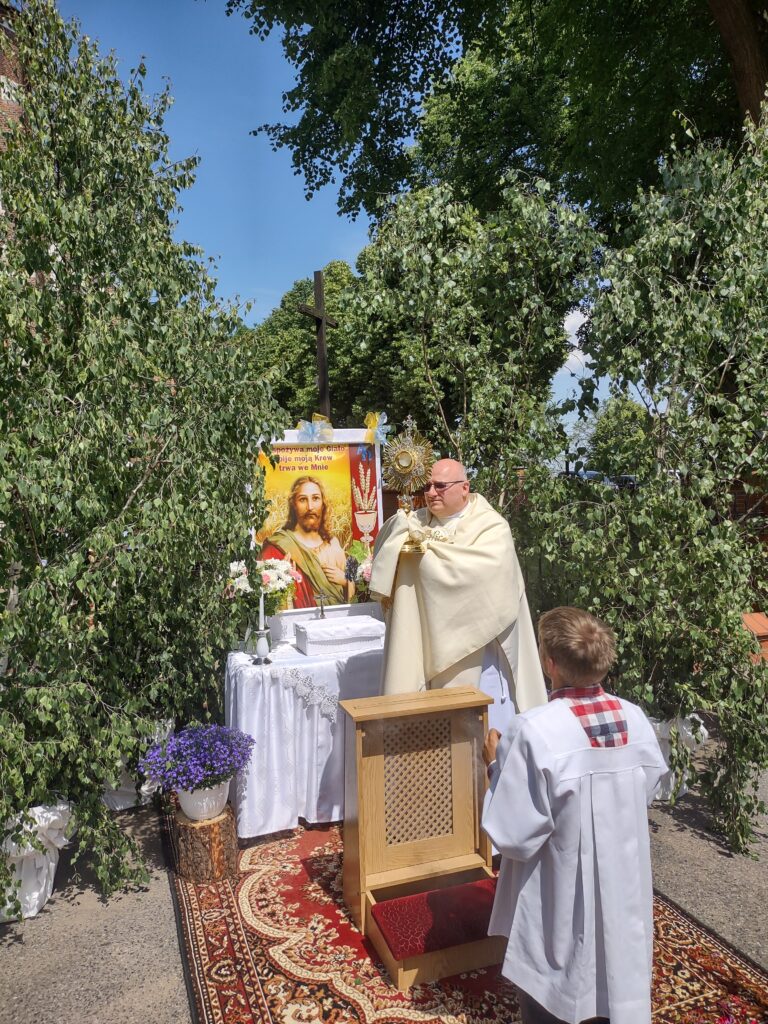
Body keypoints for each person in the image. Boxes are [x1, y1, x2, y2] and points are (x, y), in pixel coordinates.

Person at [482, 607, 668, 1024]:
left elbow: (513, 833)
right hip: (623, 888)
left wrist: (496, 766)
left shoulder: (533, 730)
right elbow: (650, 788)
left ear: (550, 664)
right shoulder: (635, 719)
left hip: (557, 893)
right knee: (614, 976)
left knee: (557, 988)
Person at [369, 458, 546, 731]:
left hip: (479, 652)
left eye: (440, 486)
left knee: (485, 743)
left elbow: (480, 579)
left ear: (465, 488)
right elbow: (385, 547)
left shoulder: (492, 527)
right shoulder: (412, 523)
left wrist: (426, 557)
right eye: (427, 486)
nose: (430, 493)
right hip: (426, 646)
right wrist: (401, 537)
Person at [261, 475, 352, 608]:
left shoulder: (333, 544)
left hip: (335, 624)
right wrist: (281, 579)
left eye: (315, 498)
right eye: (303, 499)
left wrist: (345, 581)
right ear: (294, 505)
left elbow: (353, 600)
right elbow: (264, 598)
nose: (310, 507)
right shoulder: (278, 546)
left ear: (323, 503)